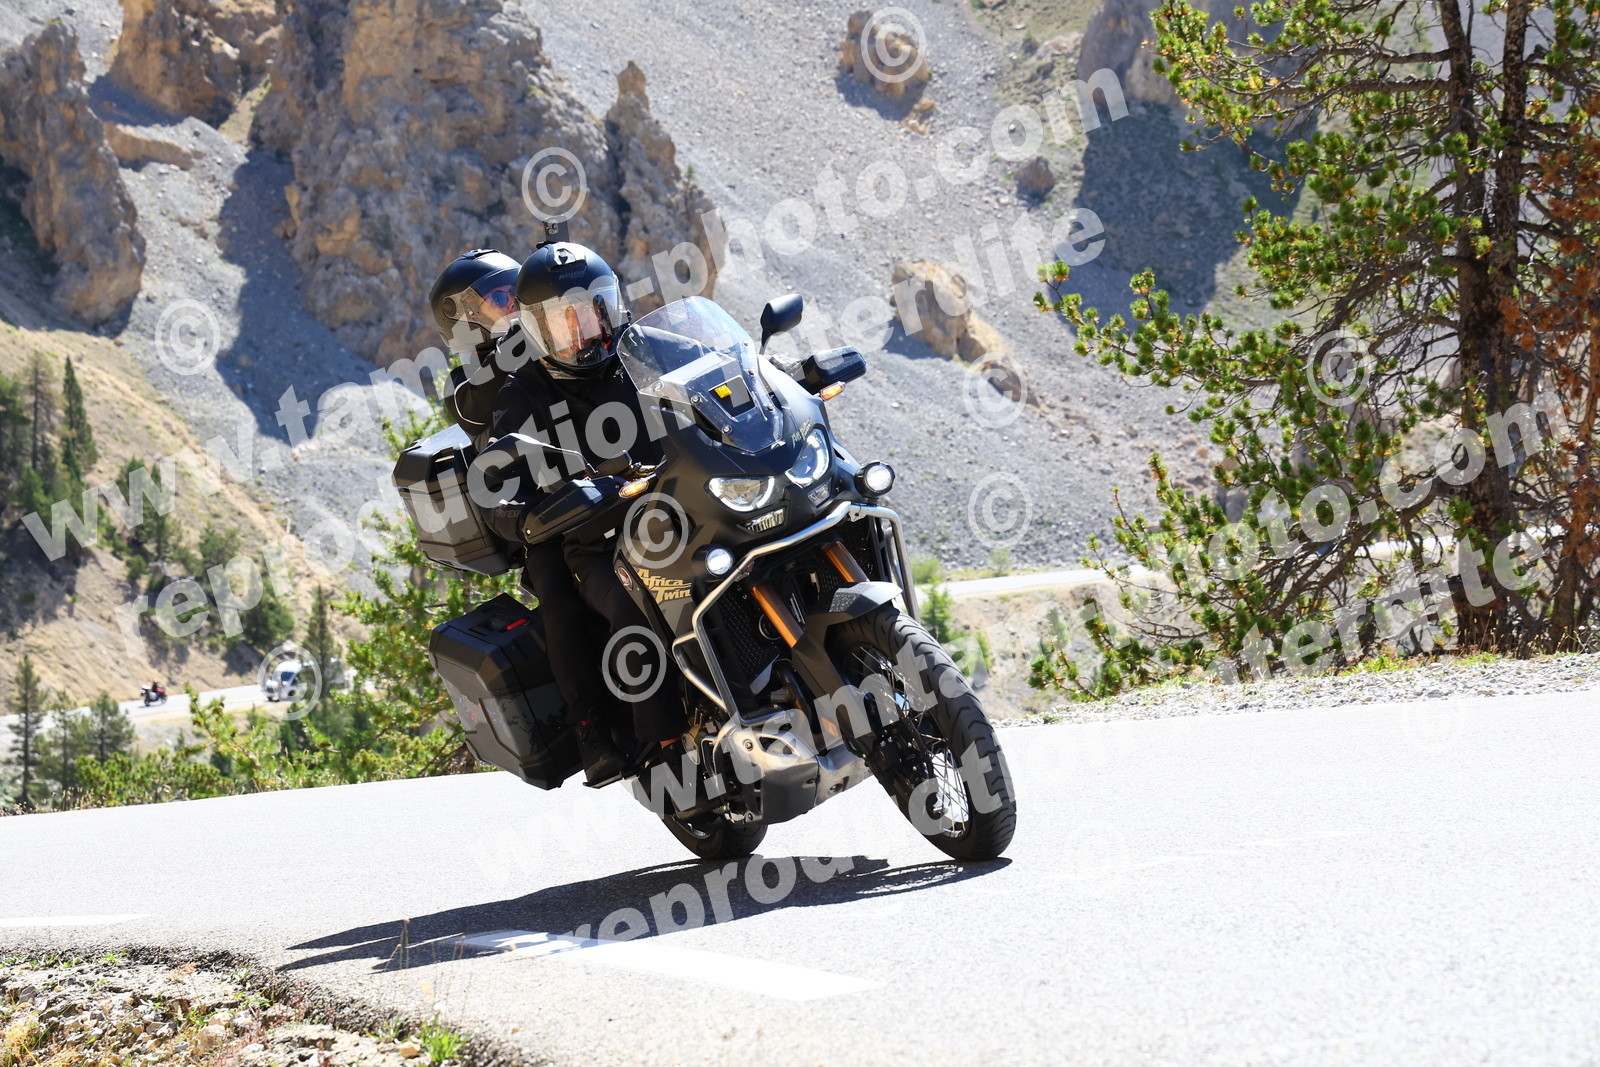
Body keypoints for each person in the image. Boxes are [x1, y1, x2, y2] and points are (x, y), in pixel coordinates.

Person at [430, 248, 630, 787]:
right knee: (561, 601)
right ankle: (592, 730)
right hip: (536, 517)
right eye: (498, 299)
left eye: (514, 293)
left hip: (607, 484)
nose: (510, 306)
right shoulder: (468, 385)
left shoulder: (554, 338)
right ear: (463, 319)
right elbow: (480, 401)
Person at [484, 241, 688, 759]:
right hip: (599, 541)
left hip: (685, 504)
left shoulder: (643, 348)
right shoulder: (524, 394)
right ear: (537, 330)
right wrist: (523, 514)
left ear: (610, 305)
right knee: (638, 603)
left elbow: (718, 365)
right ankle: (664, 744)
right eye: (563, 321)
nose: (582, 330)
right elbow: (496, 482)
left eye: (592, 310)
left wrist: (776, 372)